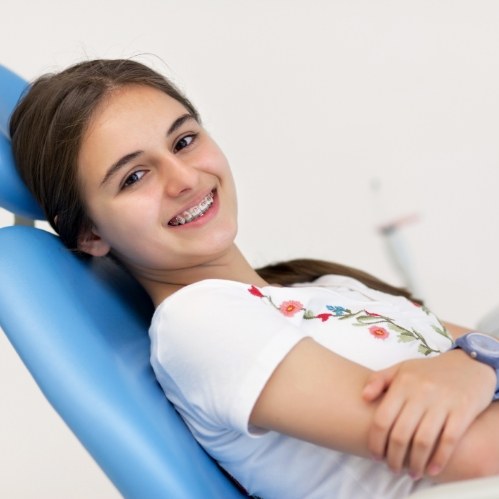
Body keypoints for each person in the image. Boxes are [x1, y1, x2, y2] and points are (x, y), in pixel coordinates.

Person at [9, 58, 499, 498]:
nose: (183, 179)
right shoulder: (199, 323)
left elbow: (482, 348)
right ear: (91, 233)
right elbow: (477, 458)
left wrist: (473, 365)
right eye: (134, 177)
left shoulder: (322, 286)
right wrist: (474, 363)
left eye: (184, 140)